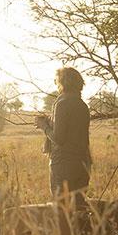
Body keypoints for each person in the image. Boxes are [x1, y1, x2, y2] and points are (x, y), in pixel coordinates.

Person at [37, 66, 93, 202]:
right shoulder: (82, 105)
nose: (56, 84)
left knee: (62, 210)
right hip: (82, 164)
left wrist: (44, 126)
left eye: (56, 81)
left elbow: (59, 139)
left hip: (63, 164)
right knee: (78, 208)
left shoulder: (62, 103)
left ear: (63, 82)